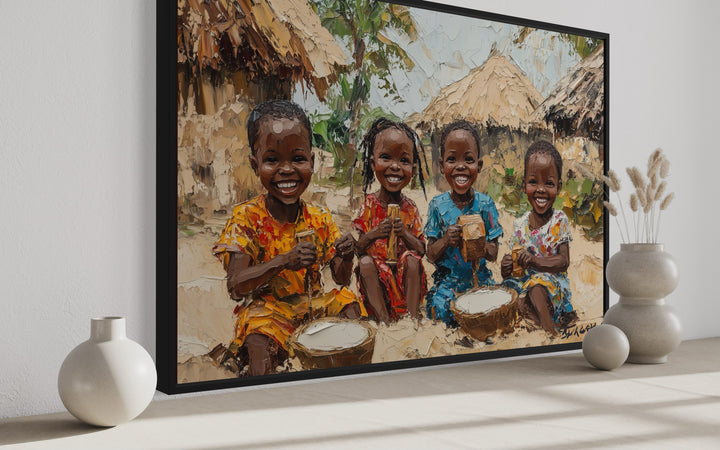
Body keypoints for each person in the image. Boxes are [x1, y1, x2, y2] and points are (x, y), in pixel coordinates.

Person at [212, 100, 365, 376]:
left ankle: (347, 374)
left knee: (347, 302)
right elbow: (236, 286)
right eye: (272, 160)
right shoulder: (247, 218)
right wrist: (283, 261)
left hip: (312, 305)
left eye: (297, 159)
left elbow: (341, 277)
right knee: (258, 337)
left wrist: (346, 253)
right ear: (254, 164)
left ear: (312, 161)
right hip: (270, 311)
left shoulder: (319, 218)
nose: (286, 170)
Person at [424, 120, 503, 326]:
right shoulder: (437, 206)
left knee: (493, 309)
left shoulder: (485, 205)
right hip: (449, 280)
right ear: (442, 166)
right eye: (452, 159)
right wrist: (445, 241)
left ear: (479, 165)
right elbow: (431, 254)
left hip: (480, 278)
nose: (460, 166)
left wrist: (479, 243)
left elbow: (493, 254)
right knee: (440, 308)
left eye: (468, 159)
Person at [352, 118, 428, 324]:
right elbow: (359, 248)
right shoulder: (368, 205)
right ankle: (384, 320)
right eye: (385, 157)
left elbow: (421, 248)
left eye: (403, 161)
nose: (395, 167)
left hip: (404, 279)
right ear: (372, 163)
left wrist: (404, 233)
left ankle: (412, 318)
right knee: (366, 262)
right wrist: (374, 233)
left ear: (412, 168)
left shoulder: (409, 208)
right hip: (378, 282)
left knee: (412, 260)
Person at [500, 140, 577, 336]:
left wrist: (534, 261)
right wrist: (507, 268)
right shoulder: (520, 224)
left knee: (536, 288)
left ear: (558, 187)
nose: (541, 189)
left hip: (552, 285)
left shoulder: (559, 220)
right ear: (524, 184)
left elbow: (563, 261)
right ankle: (532, 314)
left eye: (549, 183)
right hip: (524, 283)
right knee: (507, 293)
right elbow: (516, 268)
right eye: (533, 182)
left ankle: (550, 331)